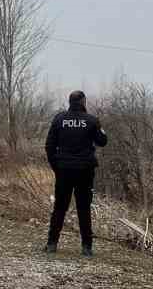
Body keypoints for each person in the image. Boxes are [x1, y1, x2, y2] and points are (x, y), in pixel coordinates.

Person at [44, 89, 108, 256]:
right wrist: (100, 127)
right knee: (84, 208)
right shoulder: (91, 120)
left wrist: (55, 167)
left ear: (70, 102)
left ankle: (52, 244)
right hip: (85, 171)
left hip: (63, 170)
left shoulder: (59, 119)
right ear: (84, 102)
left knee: (59, 207)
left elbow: (49, 146)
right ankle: (86, 247)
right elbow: (103, 141)